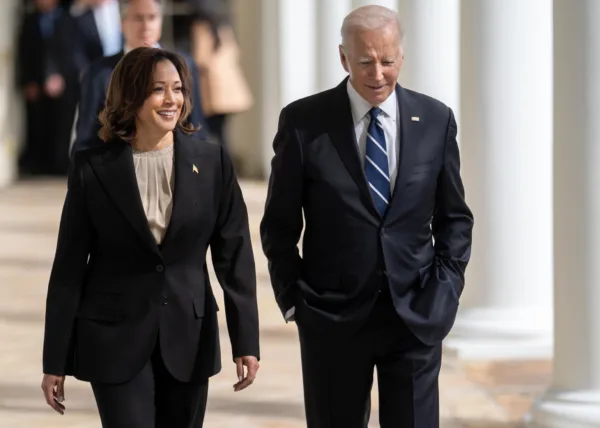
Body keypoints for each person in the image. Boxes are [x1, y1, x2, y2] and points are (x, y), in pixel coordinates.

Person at [260, 5, 473, 428]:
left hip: (415, 316)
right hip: (332, 321)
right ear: (343, 58)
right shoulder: (304, 123)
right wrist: (296, 302)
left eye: (387, 61)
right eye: (364, 61)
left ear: (401, 57)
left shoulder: (435, 119)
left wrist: (443, 293)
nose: (377, 73)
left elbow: (455, 219)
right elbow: (279, 226)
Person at [41, 47, 260, 428]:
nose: (171, 99)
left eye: (177, 88)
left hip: (188, 337)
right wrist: (54, 360)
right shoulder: (92, 167)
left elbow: (235, 256)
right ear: (131, 95)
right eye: (158, 89)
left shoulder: (212, 162)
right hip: (113, 337)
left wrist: (247, 343)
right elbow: (69, 268)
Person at [71, 0, 208, 153]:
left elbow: (196, 128)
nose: (146, 26)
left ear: (161, 22)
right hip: (118, 169)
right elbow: (86, 139)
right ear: (122, 24)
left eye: (152, 17)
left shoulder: (184, 66)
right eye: (138, 18)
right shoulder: (98, 74)